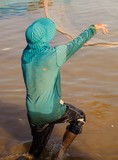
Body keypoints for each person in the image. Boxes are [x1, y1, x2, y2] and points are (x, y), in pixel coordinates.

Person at [21, 18, 108, 159]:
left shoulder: (25, 55)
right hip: (51, 110)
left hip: (32, 112)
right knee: (80, 118)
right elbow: (75, 44)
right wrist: (93, 28)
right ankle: (60, 155)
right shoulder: (53, 55)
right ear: (45, 39)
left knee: (35, 153)